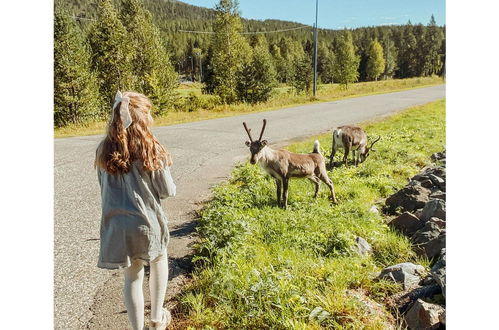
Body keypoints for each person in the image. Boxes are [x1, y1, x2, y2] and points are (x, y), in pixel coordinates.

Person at [95, 91, 176, 330]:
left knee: (132, 276)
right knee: (159, 259)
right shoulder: (151, 147)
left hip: (117, 225)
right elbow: (166, 190)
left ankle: (137, 328)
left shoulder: (103, 149)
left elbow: (104, 188)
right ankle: (157, 318)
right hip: (146, 222)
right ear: (143, 117)